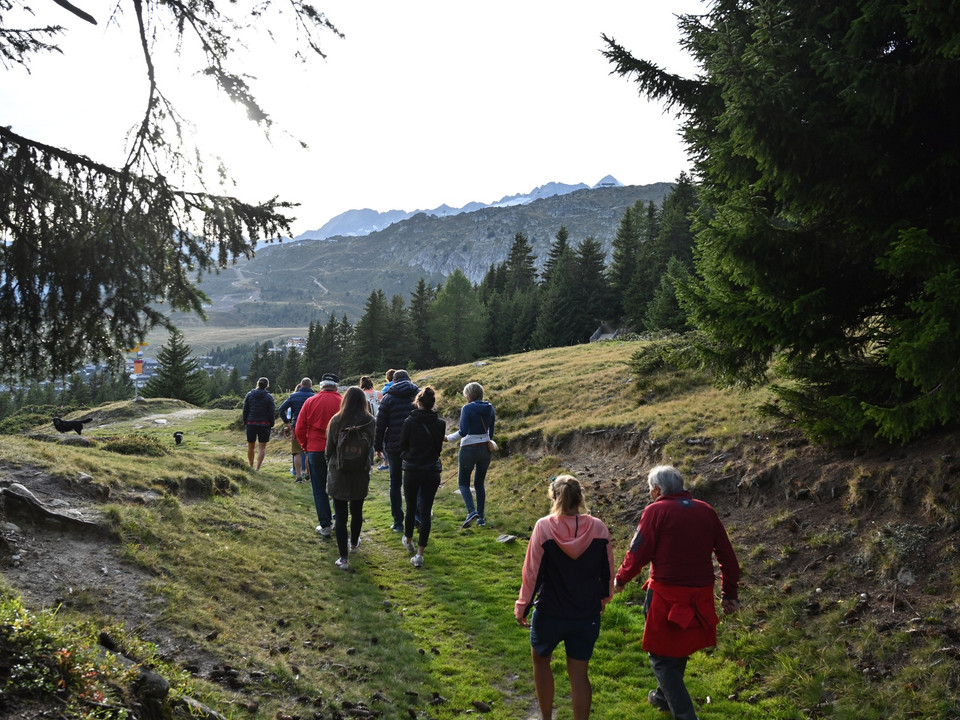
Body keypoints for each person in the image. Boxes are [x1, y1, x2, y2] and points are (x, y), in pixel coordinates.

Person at [613, 465, 740, 720]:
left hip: (667, 594)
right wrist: (729, 593)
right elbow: (727, 556)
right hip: (700, 594)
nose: (650, 494)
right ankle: (662, 697)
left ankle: (684, 715)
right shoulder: (706, 510)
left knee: (660, 656)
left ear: (657, 490)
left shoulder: (656, 511)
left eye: (651, 490)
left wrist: (621, 577)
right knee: (678, 647)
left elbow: (639, 551)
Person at [514, 475, 615, 720]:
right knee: (579, 674)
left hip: (550, 612)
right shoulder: (599, 528)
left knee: (540, 662)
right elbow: (607, 571)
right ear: (580, 498)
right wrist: (604, 599)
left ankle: (546, 717)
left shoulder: (544, 527)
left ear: (553, 497)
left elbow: (532, 572)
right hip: (586, 613)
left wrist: (523, 605)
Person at [324, 386, 375, 571]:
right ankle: (354, 543)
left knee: (340, 515)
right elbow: (370, 445)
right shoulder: (369, 420)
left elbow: (329, 448)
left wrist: (330, 462)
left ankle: (343, 559)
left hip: (339, 471)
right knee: (357, 510)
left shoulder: (337, 419)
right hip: (360, 471)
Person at [399, 386, 446, 568]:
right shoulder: (440, 424)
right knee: (426, 511)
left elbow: (402, 445)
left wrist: (408, 456)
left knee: (411, 507)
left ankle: (408, 540)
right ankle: (420, 554)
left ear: (418, 402)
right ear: (433, 404)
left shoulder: (409, 422)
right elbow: (438, 449)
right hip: (432, 470)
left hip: (412, 469)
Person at [295, 373, 343, 537]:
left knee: (319, 489)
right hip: (338, 451)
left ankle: (325, 525)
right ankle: (339, 520)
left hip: (315, 449)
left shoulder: (310, 401)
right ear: (336, 386)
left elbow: (300, 428)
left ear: (321, 386)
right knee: (338, 487)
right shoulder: (342, 402)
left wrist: (305, 447)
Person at [374, 369, 419, 532]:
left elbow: (380, 425)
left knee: (395, 482)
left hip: (394, 446)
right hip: (416, 446)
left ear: (393, 382)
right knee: (416, 482)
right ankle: (417, 516)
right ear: (409, 379)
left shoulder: (388, 398)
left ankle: (398, 522)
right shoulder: (419, 395)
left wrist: (378, 447)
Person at [446, 381, 495, 528]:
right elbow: (491, 432)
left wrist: (448, 438)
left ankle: (471, 511)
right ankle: (481, 518)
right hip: (485, 449)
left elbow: (463, 432)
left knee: (463, 483)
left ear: (468, 395)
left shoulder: (467, 408)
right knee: (479, 484)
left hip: (468, 448)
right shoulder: (490, 408)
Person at [277, 377, 315, 482]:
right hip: (310, 428)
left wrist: (287, 423)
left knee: (296, 452)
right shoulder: (314, 397)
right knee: (308, 452)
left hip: (296, 426)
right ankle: (308, 475)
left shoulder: (293, 396)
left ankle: (298, 477)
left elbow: (281, 409)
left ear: (301, 385)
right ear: (310, 386)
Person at [242, 377, 275, 470]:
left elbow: (245, 409)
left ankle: (251, 465)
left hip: (251, 423)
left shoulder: (249, 395)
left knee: (250, 446)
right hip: (264, 424)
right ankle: (258, 468)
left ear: (257, 383)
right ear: (267, 385)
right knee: (262, 448)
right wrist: (271, 423)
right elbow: (271, 411)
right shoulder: (269, 397)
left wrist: (245, 421)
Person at [375, 369, 396, 470]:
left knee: (386, 442)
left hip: (390, 421)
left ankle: (386, 462)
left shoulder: (386, 389)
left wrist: (377, 447)